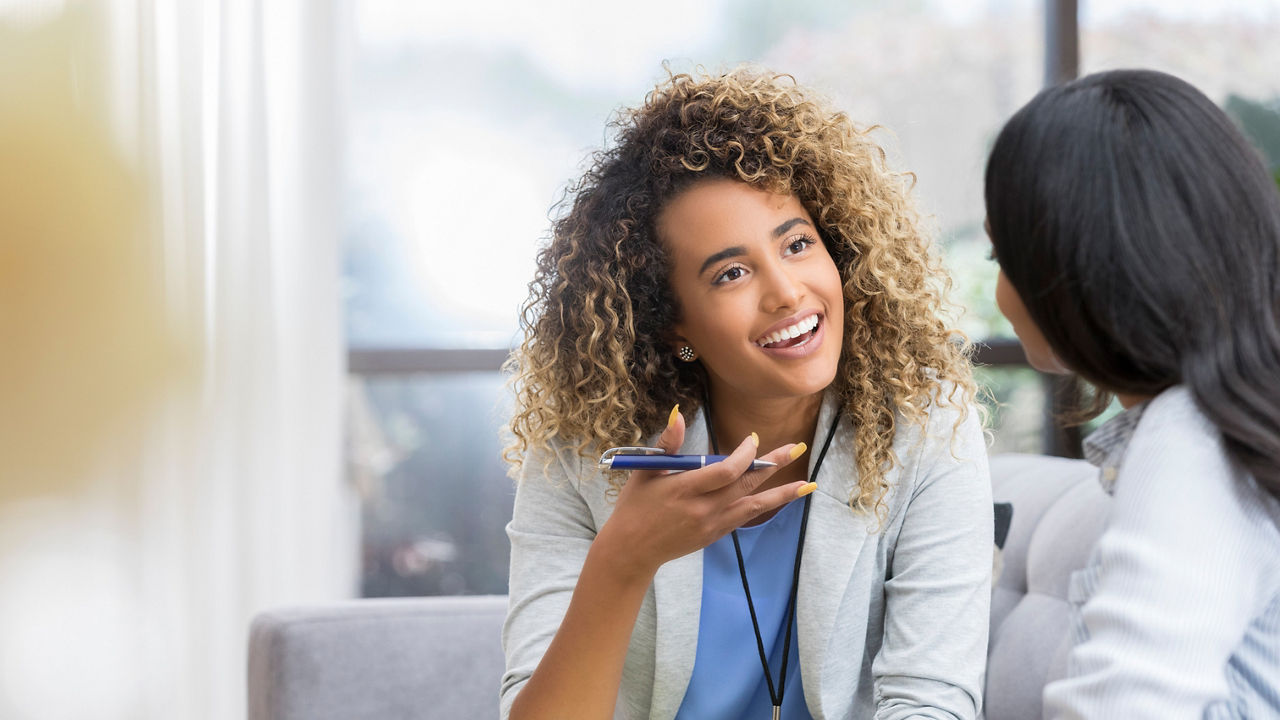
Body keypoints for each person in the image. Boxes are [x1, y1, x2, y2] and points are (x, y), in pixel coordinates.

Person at [500, 68, 992, 720]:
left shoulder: (926, 433)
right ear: (673, 322)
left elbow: (932, 705)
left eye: (796, 244)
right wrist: (624, 559)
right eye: (731, 273)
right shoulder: (583, 453)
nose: (786, 292)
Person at [984, 68, 1280, 718]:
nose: (1002, 294)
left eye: (1002, 258)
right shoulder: (1225, 418)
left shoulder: (1192, 440)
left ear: (1076, 273)